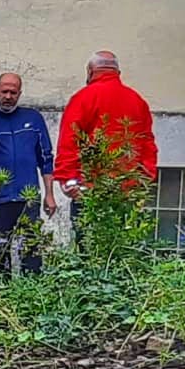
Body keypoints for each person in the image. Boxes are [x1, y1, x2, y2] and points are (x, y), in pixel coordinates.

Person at [54, 50, 159, 238]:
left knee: (88, 251)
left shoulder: (83, 98)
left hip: (90, 189)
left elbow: (69, 141)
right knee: (122, 249)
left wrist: (68, 179)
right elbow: (147, 145)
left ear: (90, 71)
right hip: (126, 189)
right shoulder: (137, 101)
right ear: (117, 72)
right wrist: (144, 179)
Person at [0, 72, 55, 275]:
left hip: (28, 197)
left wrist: (50, 194)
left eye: (13, 92)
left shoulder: (33, 118)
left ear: (20, 93)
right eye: (4, 91)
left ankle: (32, 294)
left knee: (32, 252)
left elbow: (46, 158)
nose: (8, 97)